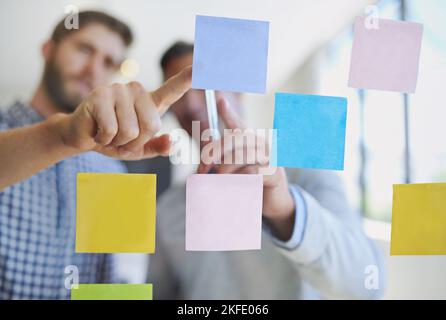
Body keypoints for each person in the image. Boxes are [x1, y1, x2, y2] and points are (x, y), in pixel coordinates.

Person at [148, 41, 386, 299]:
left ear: (238, 90)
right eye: (179, 92)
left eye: (204, 85)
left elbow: (366, 285)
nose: (192, 104)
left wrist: (286, 211)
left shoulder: (307, 173)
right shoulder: (169, 208)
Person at [0, 11, 191, 299]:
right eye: (84, 49)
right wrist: (60, 136)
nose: (93, 69)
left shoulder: (114, 171)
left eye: (108, 62)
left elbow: (117, 283)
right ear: (48, 49)